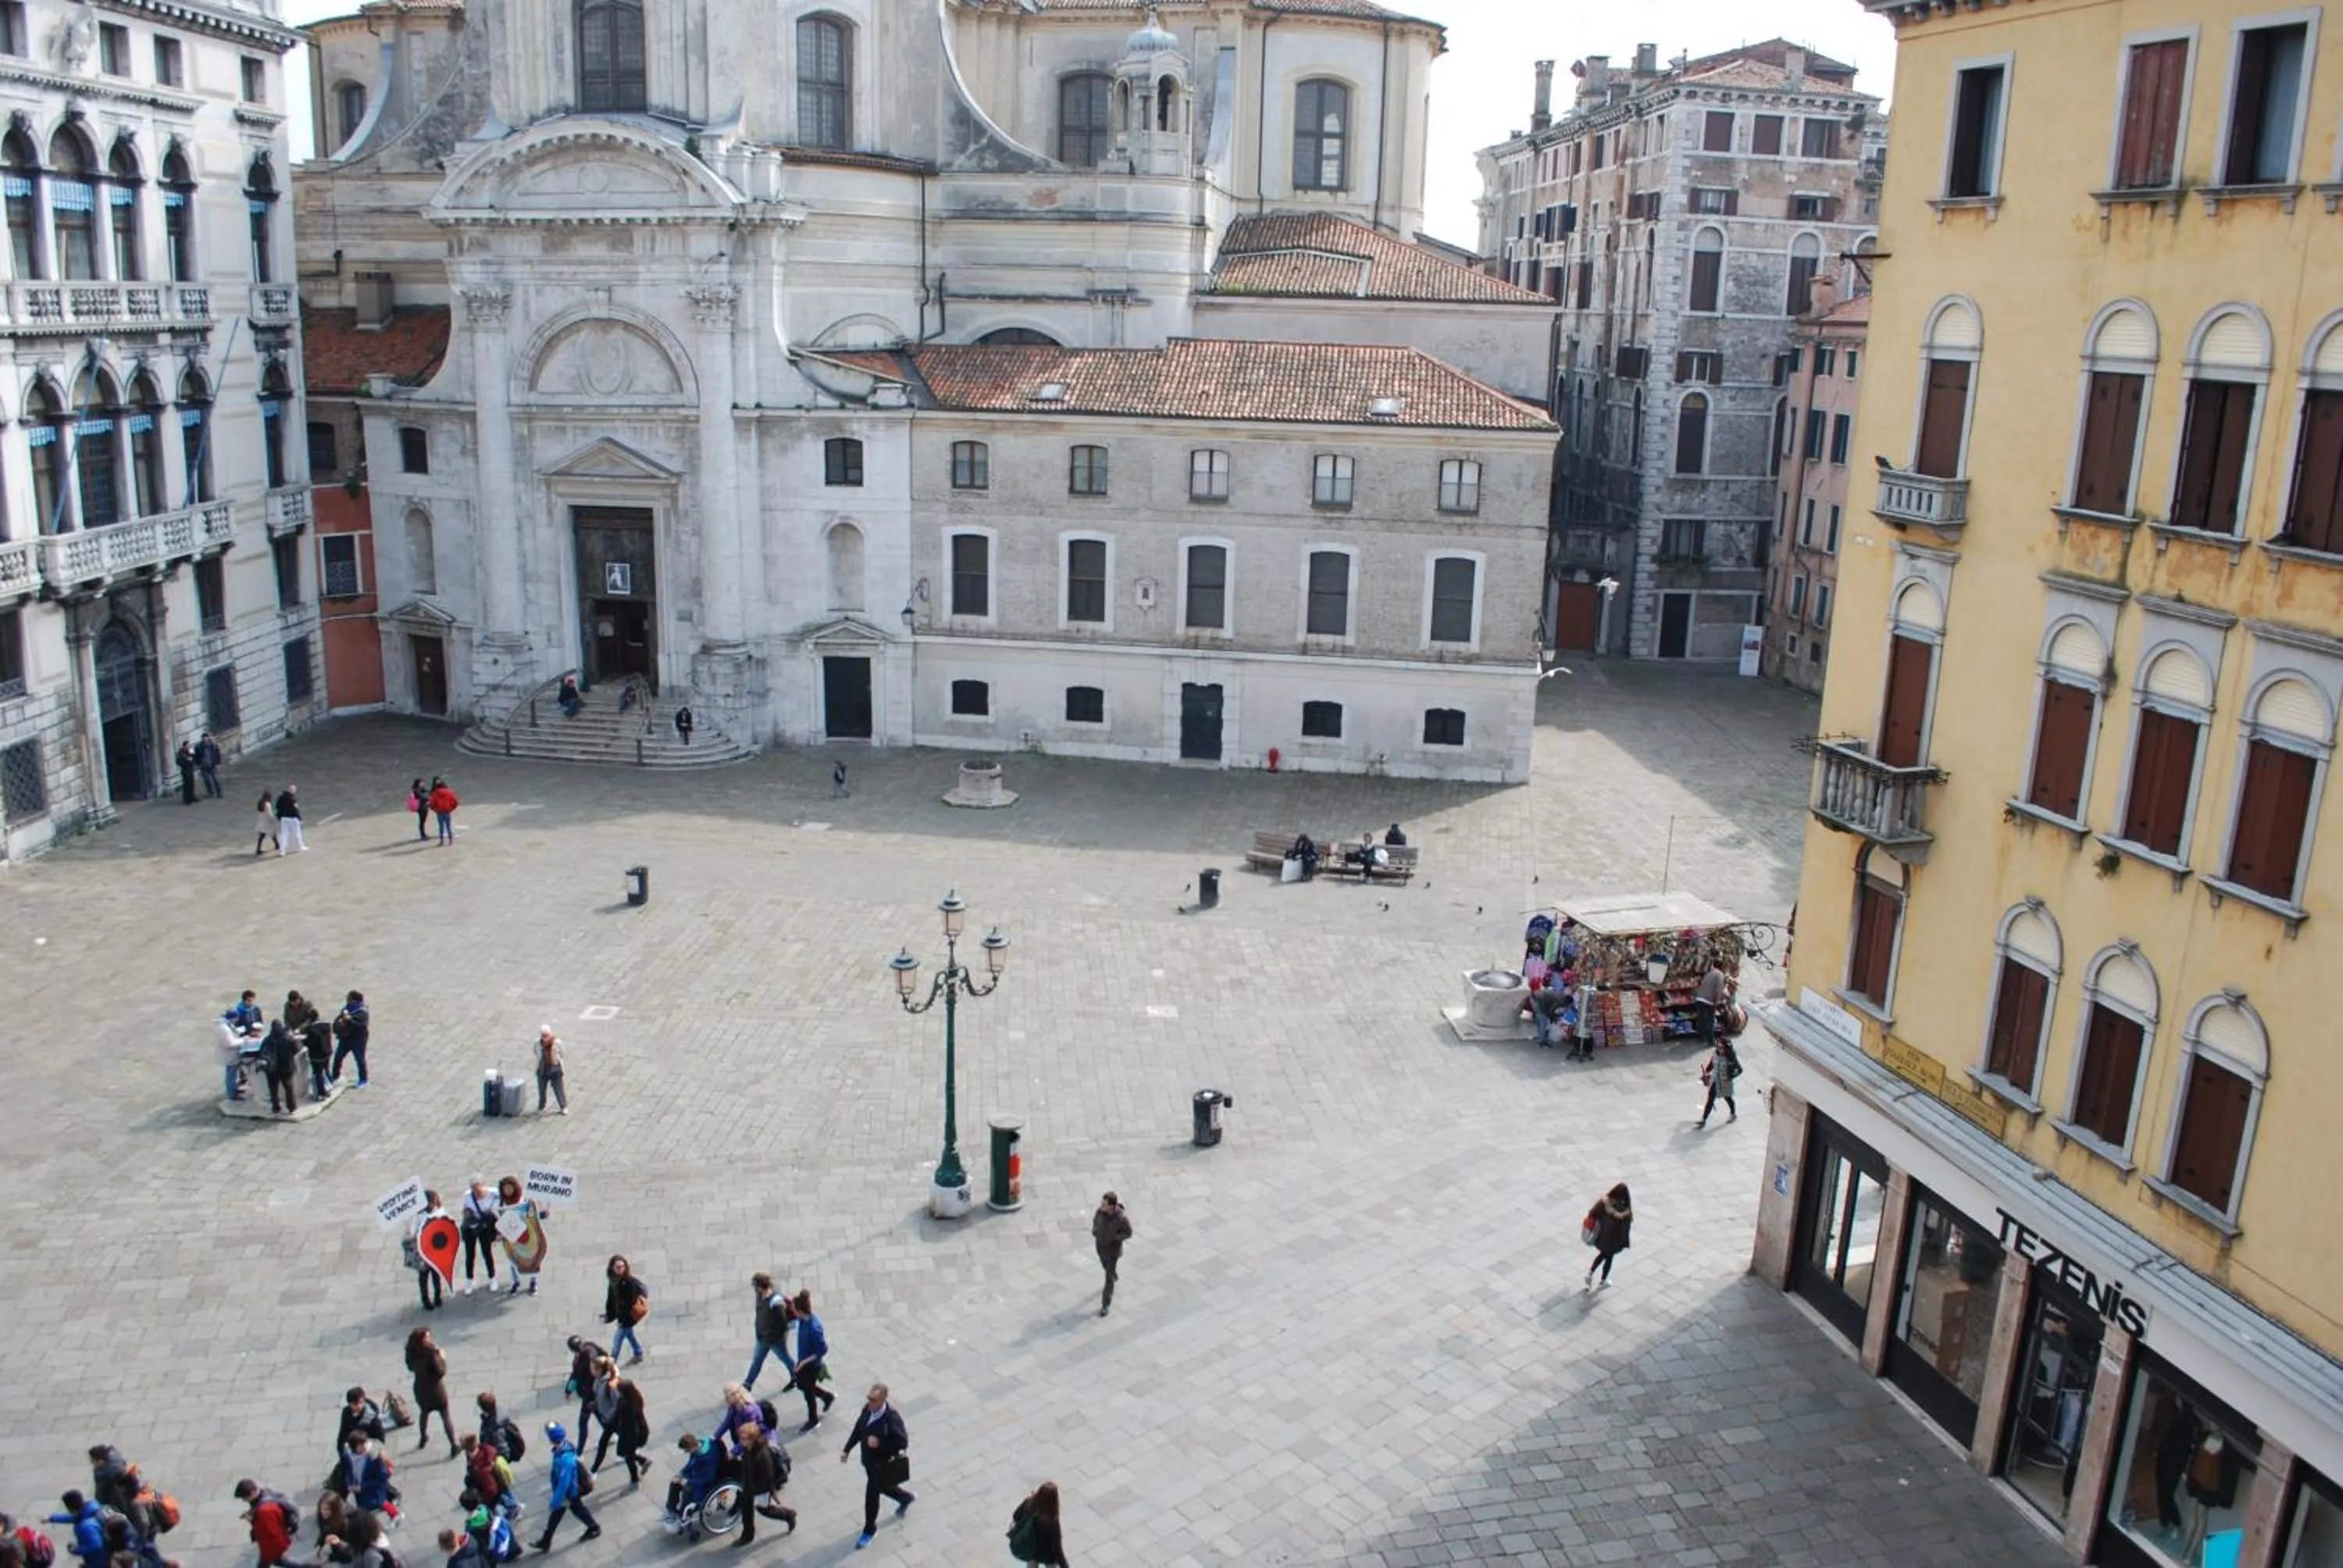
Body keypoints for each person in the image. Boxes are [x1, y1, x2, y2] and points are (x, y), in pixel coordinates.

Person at [840, 1384, 914, 1549]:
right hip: (868, 1462)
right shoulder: (867, 1410)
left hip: (881, 1464)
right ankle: (905, 1497)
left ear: (882, 1400)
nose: (869, 1402)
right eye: (868, 1398)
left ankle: (869, 1530)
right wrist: (847, 1449)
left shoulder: (891, 1418)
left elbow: (902, 1442)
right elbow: (859, 1429)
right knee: (883, 1486)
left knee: (871, 1496)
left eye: (873, 1399)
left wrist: (880, 1444)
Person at [531, 1425, 599, 1552]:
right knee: (573, 1511)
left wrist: (555, 1501)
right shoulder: (563, 1449)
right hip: (567, 1492)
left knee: (567, 1511)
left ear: (552, 1439)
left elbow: (564, 1483)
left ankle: (594, 1527)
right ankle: (546, 1541)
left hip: (568, 1492)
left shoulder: (565, 1458)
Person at [731, 1425, 795, 1547]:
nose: (741, 1441)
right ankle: (747, 1536)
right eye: (741, 1438)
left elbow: (768, 1477)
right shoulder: (747, 1448)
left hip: (759, 1489)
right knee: (747, 1512)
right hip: (748, 1485)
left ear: (753, 1438)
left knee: (765, 1510)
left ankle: (788, 1515)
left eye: (744, 1438)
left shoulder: (762, 1456)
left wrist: (773, 1493)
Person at [232, 1481, 312, 1568]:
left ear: (252, 1493)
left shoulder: (264, 1511)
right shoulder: (266, 1494)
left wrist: (251, 1520)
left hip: (271, 1548)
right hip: (274, 1546)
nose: (244, 1501)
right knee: (280, 1561)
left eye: (245, 1498)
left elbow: (270, 1532)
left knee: (270, 1564)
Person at [788, 1291, 836, 1430]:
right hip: (803, 1361)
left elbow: (822, 1349)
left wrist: (803, 1363)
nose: (793, 1313)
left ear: (800, 1310)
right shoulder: (802, 1320)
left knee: (808, 1393)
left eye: (794, 1310)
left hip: (811, 1365)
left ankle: (813, 1420)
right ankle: (826, 1396)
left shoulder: (814, 1328)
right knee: (802, 1385)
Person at [406, 1327, 458, 1456]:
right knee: (446, 1416)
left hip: (420, 1389)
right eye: (427, 1337)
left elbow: (410, 1367)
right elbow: (440, 1372)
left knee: (424, 1413)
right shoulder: (431, 1353)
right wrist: (442, 1358)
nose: (430, 1339)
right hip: (436, 1391)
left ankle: (423, 1437)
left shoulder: (411, 1352)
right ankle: (454, 1445)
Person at [495, 1176, 546, 1295]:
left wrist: (543, 1214)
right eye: (505, 1189)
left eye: (509, 1188)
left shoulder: (525, 1201)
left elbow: (535, 1217)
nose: (507, 1191)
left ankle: (533, 1282)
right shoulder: (501, 1203)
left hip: (529, 1236)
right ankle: (516, 1282)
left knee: (533, 1260)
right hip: (511, 1239)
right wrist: (498, 1234)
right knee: (513, 1261)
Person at [744, 1274, 793, 1392]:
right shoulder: (760, 1295)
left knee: (785, 1358)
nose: (754, 1289)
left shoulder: (776, 1303)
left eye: (755, 1286)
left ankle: (797, 1376)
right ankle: (747, 1384)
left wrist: (777, 1338)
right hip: (763, 1337)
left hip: (774, 1340)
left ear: (760, 1287)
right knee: (757, 1360)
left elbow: (783, 1325)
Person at [660, 1436, 720, 1528]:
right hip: (697, 1476)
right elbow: (691, 1464)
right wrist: (681, 1473)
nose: (686, 1452)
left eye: (686, 1450)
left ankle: (683, 1515)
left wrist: (688, 1481)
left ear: (692, 1447)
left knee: (687, 1491)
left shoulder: (706, 1457)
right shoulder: (696, 1450)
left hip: (705, 1483)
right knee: (674, 1483)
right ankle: (671, 1509)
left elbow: (707, 1478)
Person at [1583, 1183, 1634, 1291]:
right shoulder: (1625, 1211)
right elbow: (1625, 1229)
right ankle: (1602, 1280)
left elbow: (1592, 1213)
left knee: (1603, 1254)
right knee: (1608, 1257)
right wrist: (1624, 1242)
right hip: (1614, 1241)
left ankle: (1590, 1274)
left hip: (1602, 1237)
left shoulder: (1604, 1202)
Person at [334, 1435, 396, 1522]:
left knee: (377, 1504)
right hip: (358, 1490)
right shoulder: (348, 1457)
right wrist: (349, 1484)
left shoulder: (373, 1456)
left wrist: (362, 1487)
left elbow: (381, 1477)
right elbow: (347, 1472)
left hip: (371, 1489)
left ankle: (393, 1515)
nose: (365, 1446)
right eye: (362, 1445)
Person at [1007, 1481, 1068, 1567]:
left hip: (1031, 1548)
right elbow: (1056, 1548)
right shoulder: (1051, 1520)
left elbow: (1016, 1516)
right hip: (1048, 1555)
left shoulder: (1028, 1503)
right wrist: (1065, 1566)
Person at [1091, 1192, 1132, 1317]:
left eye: (1104, 1204)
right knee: (1106, 1268)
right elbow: (1095, 1221)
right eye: (1102, 1203)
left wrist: (1115, 1238)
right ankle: (1113, 1274)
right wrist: (1095, 1230)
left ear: (1112, 1206)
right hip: (1100, 1248)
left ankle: (1105, 1304)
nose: (1101, 1206)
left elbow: (1128, 1233)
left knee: (1108, 1278)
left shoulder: (1121, 1218)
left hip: (1112, 1252)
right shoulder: (1100, 1212)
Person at [458, 1178, 501, 1294]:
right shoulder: (467, 1196)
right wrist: (467, 1215)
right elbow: (463, 1210)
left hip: (484, 1229)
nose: (478, 1194)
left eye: (480, 1192)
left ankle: (493, 1279)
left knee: (487, 1253)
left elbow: (506, 1199)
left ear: (484, 1186)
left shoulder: (493, 1193)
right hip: (470, 1229)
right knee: (470, 1255)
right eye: (475, 1191)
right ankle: (469, 1281)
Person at [603, 1256, 647, 1363]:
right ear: (612, 1267)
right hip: (622, 1317)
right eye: (618, 1267)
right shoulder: (613, 1280)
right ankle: (639, 1352)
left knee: (617, 1341)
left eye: (622, 1267)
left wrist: (623, 1321)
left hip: (627, 1318)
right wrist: (609, 1315)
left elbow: (628, 1305)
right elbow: (611, 1299)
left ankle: (612, 1362)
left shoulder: (628, 1283)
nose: (620, 1269)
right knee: (630, 1335)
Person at [609, 1380, 651, 1487]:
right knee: (629, 1454)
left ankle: (635, 1478)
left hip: (630, 1436)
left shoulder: (625, 1405)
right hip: (639, 1431)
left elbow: (625, 1424)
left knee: (629, 1457)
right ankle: (643, 1461)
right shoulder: (636, 1398)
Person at [413, 1191, 449, 1310]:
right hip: (423, 1249)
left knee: (436, 1273)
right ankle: (425, 1299)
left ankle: (438, 1296)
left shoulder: (440, 1211)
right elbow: (414, 1231)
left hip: (436, 1249)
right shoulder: (419, 1215)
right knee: (424, 1275)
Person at [44, 1495, 102, 1568]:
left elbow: (96, 1546)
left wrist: (76, 1550)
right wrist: (51, 1518)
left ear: (71, 1509)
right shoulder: (89, 1510)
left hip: (98, 1561)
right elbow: (72, 1517)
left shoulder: (87, 1526)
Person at [1697, 1038, 1743, 1128]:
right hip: (1715, 1080)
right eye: (1717, 1046)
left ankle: (1733, 1114)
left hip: (1725, 1082)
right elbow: (1711, 1064)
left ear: (1726, 1048)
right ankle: (1703, 1120)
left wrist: (1730, 1077)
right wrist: (1706, 1072)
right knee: (1710, 1100)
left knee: (1728, 1098)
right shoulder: (1715, 1053)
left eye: (1721, 1047)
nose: (1719, 1049)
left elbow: (1740, 1070)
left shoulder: (1731, 1057)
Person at [260, 1020, 301, 1115]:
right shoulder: (288, 1039)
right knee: (289, 1088)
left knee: (273, 1089)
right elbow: (296, 1050)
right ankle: (291, 1107)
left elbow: (261, 1052)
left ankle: (276, 1108)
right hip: (286, 1068)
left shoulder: (267, 1039)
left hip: (271, 1069)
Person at [331, 992, 370, 1089]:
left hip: (358, 1040)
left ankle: (363, 1079)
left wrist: (350, 1020)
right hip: (345, 1039)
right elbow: (338, 1019)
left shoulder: (362, 1012)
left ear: (355, 1000)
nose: (347, 1000)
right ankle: (335, 1076)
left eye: (349, 998)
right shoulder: (346, 1008)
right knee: (338, 1057)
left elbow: (362, 1026)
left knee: (360, 1060)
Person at [1694, 957, 1732, 1045]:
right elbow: (1718, 990)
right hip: (1708, 1001)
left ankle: (1702, 1038)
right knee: (1710, 1021)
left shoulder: (1709, 973)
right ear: (1722, 967)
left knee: (1701, 1019)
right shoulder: (1720, 975)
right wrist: (1716, 1002)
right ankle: (1711, 1041)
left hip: (1699, 999)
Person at [533, 1026, 568, 1115]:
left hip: (555, 1068)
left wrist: (556, 1059)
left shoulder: (557, 1042)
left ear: (550, 1034)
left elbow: (562, 1053)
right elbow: (535, 1052)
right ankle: (541, 1106)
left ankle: (563, 1106)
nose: (545, 1038)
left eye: (547, 1035)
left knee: (558, 1088)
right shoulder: (537, 1043)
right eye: (543, 1036)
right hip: (542, 1069)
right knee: (541, 1090)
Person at [301, 1016, 334, 1101]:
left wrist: (304, 1041)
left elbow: (311, 1043)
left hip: (317, 1056)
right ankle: (330, 1087)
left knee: (318, 1074)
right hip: (327, 1052)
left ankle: (322, 1093)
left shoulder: (313, 1030)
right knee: (326, 1070)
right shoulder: (327, 1026)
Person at [274, 785, 306, 854]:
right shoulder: (293, 799)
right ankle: (300, 846)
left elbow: (277, 807)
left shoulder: (281, 798)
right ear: (294, 791)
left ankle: (282, 851)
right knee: (297, 833)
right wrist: (300, 818)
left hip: (284, 818)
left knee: (284, 835)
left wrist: (280, 814)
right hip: (293, 818)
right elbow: (296, 809)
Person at [428, 779, 459, 847]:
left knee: (441, 826)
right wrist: (451, 809)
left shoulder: (435, 793)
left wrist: (435, 810)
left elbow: (431, 803)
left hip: (439, 812)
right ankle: (451, 840)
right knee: (448, 826)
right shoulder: (450, 792)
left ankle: (442, 841)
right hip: (447, 811)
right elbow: (456, 801)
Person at [196, 732, 223, 797]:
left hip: (212, 765)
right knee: (207, 780)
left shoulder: (213, 746)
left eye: (207, 738)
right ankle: (210, 792)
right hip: (204, 766)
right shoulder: (199, 746)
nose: (206, 740)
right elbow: (197, 756)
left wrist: (218, 763)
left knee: (216, 780)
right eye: (204, 738)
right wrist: (198, 764)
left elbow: (218, 754)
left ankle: (219, 793)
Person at [254, 792, 277, 857]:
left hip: (261, 821)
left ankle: (258, 849)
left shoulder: (260, 803)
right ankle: (277, 845)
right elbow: (270, 814)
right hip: (267, 821)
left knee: (262, 835)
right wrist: (274, 820)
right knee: (272, 833)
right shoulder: (267, 804)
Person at [408, 779, 430, 843]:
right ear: (418, 784)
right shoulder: (417, 791)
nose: (424, 784)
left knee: (423, 821)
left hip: (423, 807)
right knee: (422, 821)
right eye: (422, 783)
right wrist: (430, 798)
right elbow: (424, 797)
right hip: (421, 808)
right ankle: (423, 835)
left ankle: (423, 835)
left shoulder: (420, 789)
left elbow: (427, 791)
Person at [175, 741, 198, 805]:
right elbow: (179, 762)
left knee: (192, 784)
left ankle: (192, 797)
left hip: (190, 769)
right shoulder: (180, 753)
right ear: (184, 746)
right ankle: (187, 800)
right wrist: (186, 761)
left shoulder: (189, 751)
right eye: (188, 745)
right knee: (186, 785)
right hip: (185, 770)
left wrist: (192, 754)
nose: (189, 747)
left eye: (189, 746)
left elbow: (194, 758)